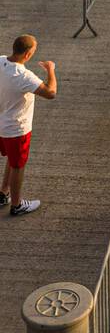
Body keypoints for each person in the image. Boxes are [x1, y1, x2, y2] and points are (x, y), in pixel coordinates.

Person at [0, 35, 57, 217]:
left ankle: (4, 193)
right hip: (17, 128)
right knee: (18, 165)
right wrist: (50, 70)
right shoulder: (23, 76)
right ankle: (16, 205)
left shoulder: (1, 61)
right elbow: (51, 93)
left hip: (2, 123)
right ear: (27, 54)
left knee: (12, 158)